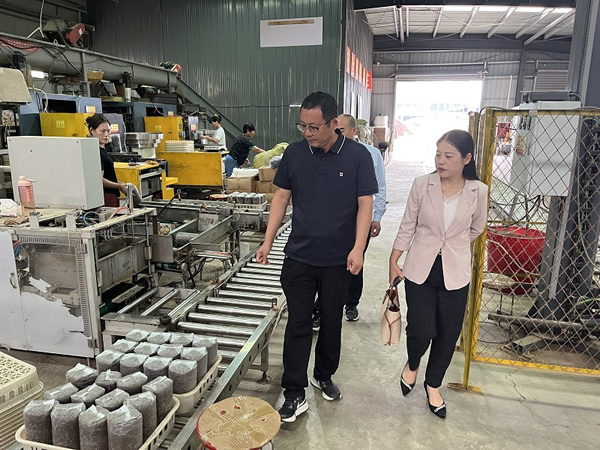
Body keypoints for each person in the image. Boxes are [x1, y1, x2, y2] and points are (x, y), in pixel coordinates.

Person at [256, 92, 378, 423]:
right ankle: (294, 392)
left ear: (333, 123)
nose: (307, 133)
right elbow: (281, 197)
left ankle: (324, 375)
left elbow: (365, 203)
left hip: (339, 259)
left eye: (314, 127)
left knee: (331, 320)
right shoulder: (295, 154)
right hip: (300, 256)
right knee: (298, 323)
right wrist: (268, 241)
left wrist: (358, 248)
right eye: (302, 126)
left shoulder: (358, 156)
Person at [388, 129, 488, 419]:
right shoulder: (422, 185)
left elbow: (477, 227)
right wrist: (395, 258)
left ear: (466, 159)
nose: (441, 161)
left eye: (449, 156)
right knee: (421, 329)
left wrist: (453, 244)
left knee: (447, 333)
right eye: (438, 154)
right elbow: (408, 224)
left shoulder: (478, 191)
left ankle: (433, 385)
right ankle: (413, 363)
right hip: (421, 267)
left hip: (455, 271)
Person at [312, 114, 387, 328]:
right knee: (328, 265)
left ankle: (351, 303)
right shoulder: (327, 153)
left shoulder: (370, 154)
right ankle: (320, 308)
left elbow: (380, 187)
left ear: (355, 131)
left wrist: (377, 217)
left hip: (360, 220)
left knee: (355, 261)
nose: (337, 133)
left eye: (342, 130)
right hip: (334, 221)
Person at [86, 114, 127, 207]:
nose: (106, 134)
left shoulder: (102, 150)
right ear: (92, 130)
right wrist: (119, 186)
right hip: (106, 197)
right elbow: (99, 180)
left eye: (108, 131)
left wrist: (119, 183)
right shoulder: (95, 152)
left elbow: (107, 176)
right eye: (102, 131)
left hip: (111, 196)